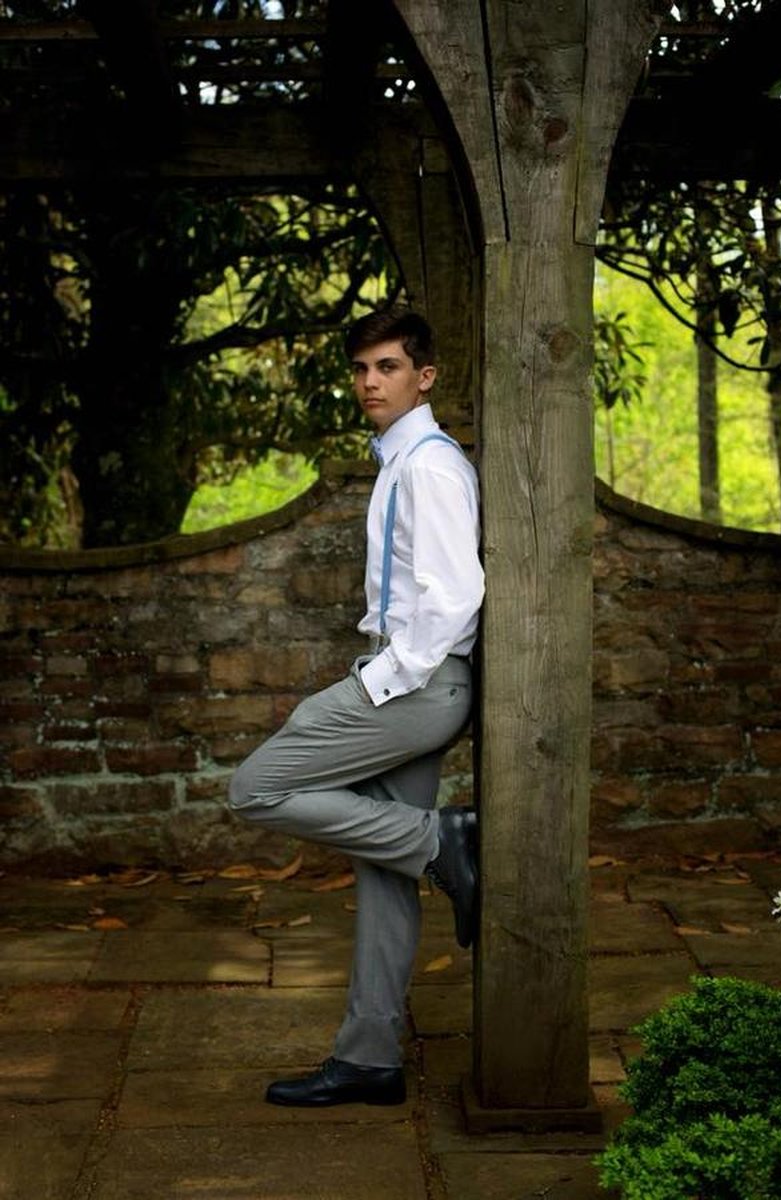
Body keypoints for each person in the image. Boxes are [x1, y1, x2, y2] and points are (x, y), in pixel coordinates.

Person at [228, 307, 484, 1107]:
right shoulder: (403, 460)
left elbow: (455, 596)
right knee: (385, 873)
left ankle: (439, 838)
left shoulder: (430, 467)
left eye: (388, 367)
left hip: (415, 684)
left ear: (425, 375)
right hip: (416, 681)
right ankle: (370, 1057)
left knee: (256, 787)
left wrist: (382, 679)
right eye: (362, 369)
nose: (370, 382)